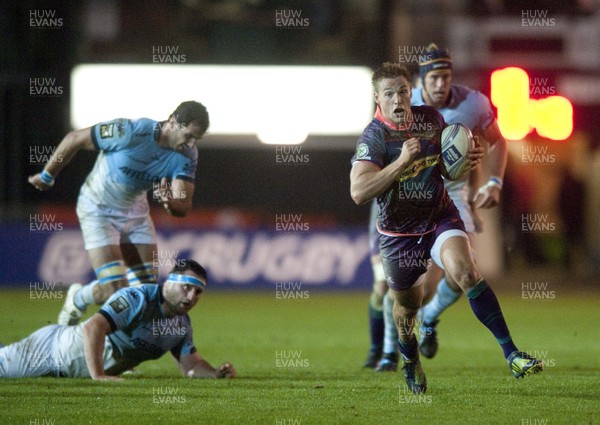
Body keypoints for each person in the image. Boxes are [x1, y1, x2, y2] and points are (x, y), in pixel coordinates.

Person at [350, 62, 543, 393]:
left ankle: (512, 354)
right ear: (377, 98)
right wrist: (399, 163)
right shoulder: (375, 137)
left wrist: (464, 160)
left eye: (402, 91)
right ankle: (409, 359)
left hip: (439, 216)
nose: (397, 99)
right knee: (408, 308)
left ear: (411, 92)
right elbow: (358, 192)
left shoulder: (430, 119)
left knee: (466, 273)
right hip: (399, 236)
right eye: (389, 93)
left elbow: (445, 170)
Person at [374, 43, 509, 371]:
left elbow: (498, 140)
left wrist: (493, 183)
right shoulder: (403, 100)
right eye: (433, 77)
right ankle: (393, 353)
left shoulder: (473, 103)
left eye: (445, 76)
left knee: (464, 269)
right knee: (402, 289)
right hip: (404, 199)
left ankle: (431, 319)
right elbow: (378, 154)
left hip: (453, 194)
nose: (440, 83)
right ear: (422, 80)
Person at [28, 101, 209, 326]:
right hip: (98, 209)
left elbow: (183, 206)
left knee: (145, 294)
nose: (191, 143)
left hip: (136, 214)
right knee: (116, 289)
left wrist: (170, 201)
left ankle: (117, 346)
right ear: (172, 122)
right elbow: (75, 139)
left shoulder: (188, 154)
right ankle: (79, 299)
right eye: (189, 135)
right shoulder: (129, 132)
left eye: (196, 139)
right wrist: (47, 176)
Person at [0, 260, 236, 380]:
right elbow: (94, 327)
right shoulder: (138, 298)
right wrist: (99, 376)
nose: (192, 296)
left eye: (198, 292)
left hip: (70, 368)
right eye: (187, 287)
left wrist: (215, 373)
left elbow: (191, 366)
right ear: (170, 282)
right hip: (53, 351)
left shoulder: (181, 325)